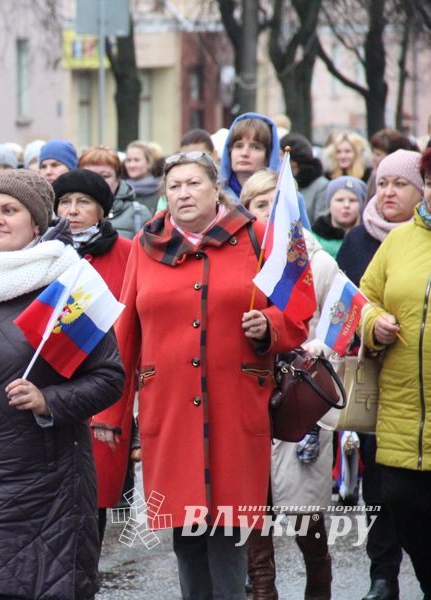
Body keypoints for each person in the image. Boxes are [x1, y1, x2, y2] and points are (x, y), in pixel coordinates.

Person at [0, 169, 125, 600]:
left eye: (9, 211)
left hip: (38, 477)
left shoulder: (68, 288)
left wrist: (48, 399)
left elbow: (108, 378)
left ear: (36, 223)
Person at [114, 150, 308, 600]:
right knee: (185, 533)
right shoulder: (146, 244)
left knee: (229, 532)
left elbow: (298, 308)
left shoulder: (258, 237)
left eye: (193, 184)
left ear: (215, 188)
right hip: (170, 407)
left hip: (235, 405)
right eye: (174, 186)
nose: (183, 193)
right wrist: (112, 415)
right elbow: (126, 333)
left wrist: (270, 328)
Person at [241, 170, 338, 600]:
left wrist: (303, 351)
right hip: (249, 401)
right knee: (251, 511)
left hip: (300, 404)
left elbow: (339, 327)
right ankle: (264, 593)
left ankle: (319, 587)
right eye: (257, 205)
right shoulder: (241, 261)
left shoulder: (317, 261)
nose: (267, 214)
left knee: (305, 517)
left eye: (273, 204)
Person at [337, 150, 424, 600]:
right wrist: (373, 325)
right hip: (382, 386)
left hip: (418, 387)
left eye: (400, 184)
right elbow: (354, 304)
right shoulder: (362, 240)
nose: (388, 192)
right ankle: (383, 575)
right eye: (382, 182)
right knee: (387, 489)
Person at [52, 168, 139, 543]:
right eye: (65, 202)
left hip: (105, 382)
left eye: (83, 202)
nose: (72, 210)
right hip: (52, 381)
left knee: (95, 494)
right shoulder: (45, 252)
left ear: (102, 210)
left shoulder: (127, 252)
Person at [78, 145, 151, 239]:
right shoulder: (66, 212)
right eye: (89, 175)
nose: (97, 181)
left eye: (105, 176)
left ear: (118, 178)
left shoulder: (138, 214)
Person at [219, 112, 282, 203]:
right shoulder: (215, 197)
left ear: (268, 155)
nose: (244, 153)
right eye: (238, 146)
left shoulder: (284, 197)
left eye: (255, 147)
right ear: (229, 152)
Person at [311, 176, 367, 257]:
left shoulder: (368, 238)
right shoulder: (313, 240)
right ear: (329, 204)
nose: (346, 205)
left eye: (352, 200)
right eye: (340, 200)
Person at [281, 133, 330, 223]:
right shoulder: (280, 183)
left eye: (281, 155)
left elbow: (321, 222)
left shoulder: (321, 186)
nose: (278, 159)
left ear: (293, 160)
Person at [122, 140, 162, 212]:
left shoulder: (161, 193)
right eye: (128, 160)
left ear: (149, 163)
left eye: (136, 160)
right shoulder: (119, 193)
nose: (131, 165)